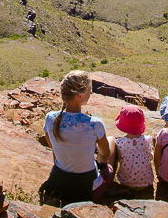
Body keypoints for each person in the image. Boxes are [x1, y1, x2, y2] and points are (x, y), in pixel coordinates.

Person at [39, 70, 115, 205]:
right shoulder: (94, 124)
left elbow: (54, 151)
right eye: (89, 90)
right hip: (86, 191)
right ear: (80, 96)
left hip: (58, 185)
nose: (91, 93)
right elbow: (105, 153)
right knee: (111, 143)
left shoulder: (50, 119)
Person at [109, 104, 154, 198]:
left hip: (126, 182)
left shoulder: (120, 143)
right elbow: (150, 157)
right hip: (146, 182)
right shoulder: (148, 140)